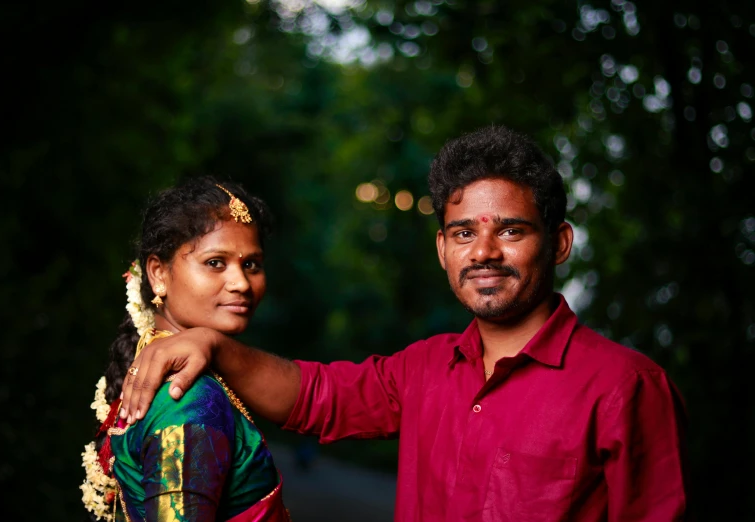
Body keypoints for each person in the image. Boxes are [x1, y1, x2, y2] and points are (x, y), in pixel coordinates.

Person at [120, 126, 690, 521]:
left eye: (511, 231)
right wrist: (212, 345)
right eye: (464, 233)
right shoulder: (424, 369)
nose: (484, 251)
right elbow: (316, 396)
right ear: (443, 248)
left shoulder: (625, 387)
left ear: (559, 242)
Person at [80, 176, 291, 522]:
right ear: (158, 274)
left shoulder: (155, 372)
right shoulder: (189, 398)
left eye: (251, 264)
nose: (241, 283)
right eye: (215, 262)